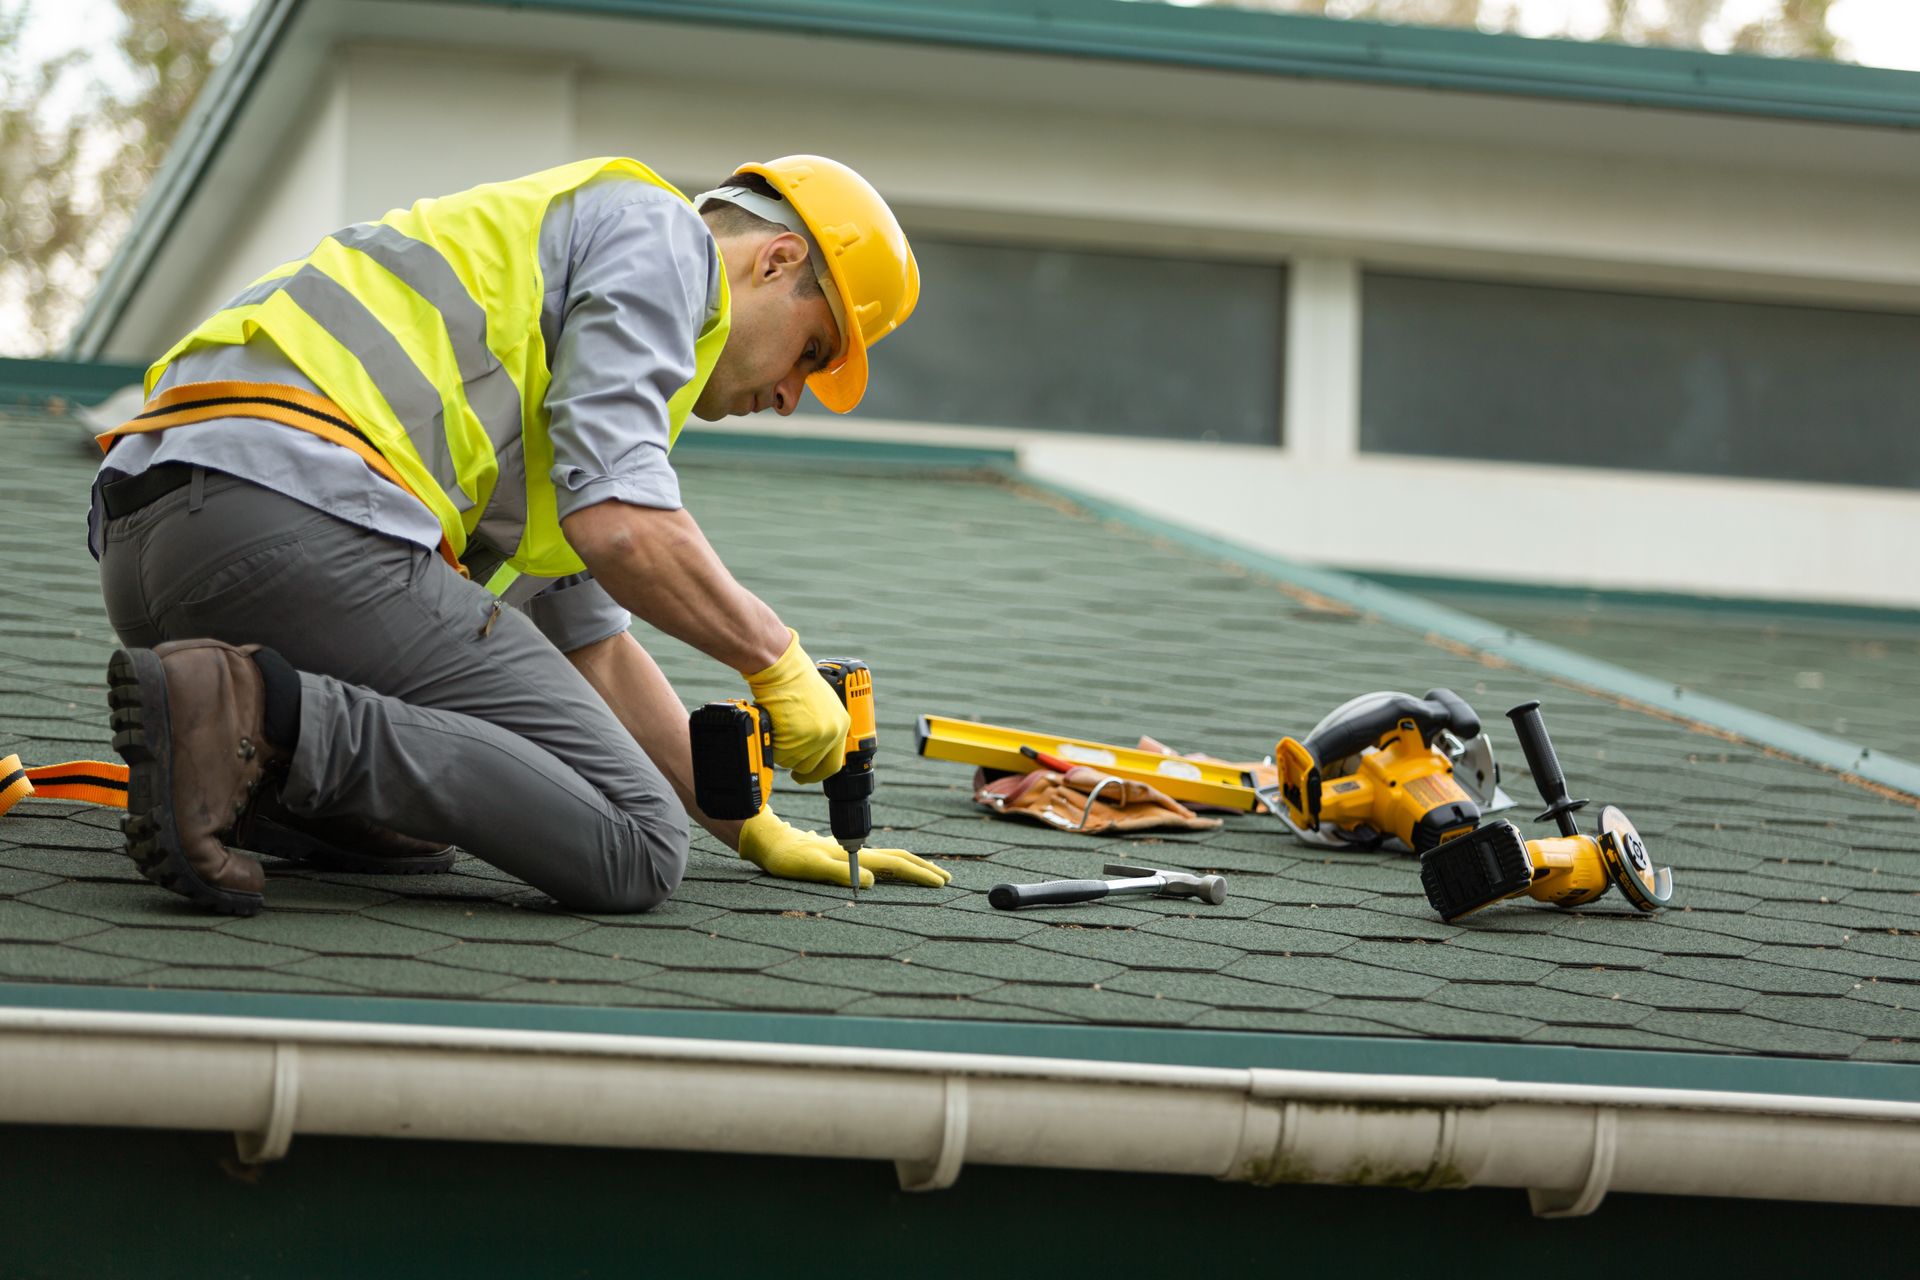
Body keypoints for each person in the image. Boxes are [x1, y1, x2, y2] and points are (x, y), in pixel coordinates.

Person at [91, 154, 949, 916]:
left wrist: (751, 824)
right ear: (777, 259)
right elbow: (622, 526)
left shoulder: (561, 308)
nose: (793, 396)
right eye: (812, 350)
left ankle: (271, 779)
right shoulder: (663, 243)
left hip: (155, 544)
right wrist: (775, 657)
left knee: (440, 818)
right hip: (294, 515)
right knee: (638, 846)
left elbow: (591, 643)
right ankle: (258, 714)